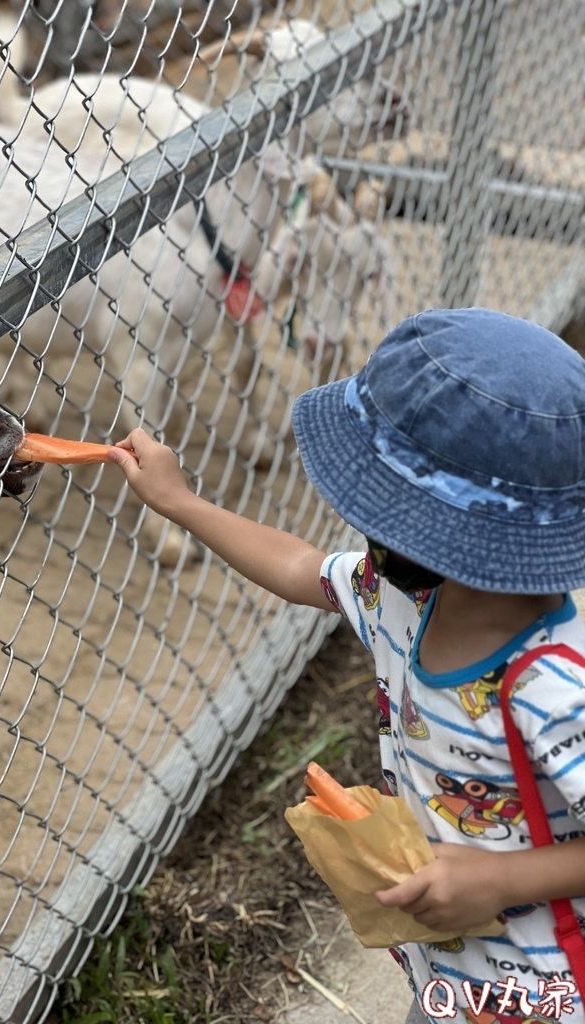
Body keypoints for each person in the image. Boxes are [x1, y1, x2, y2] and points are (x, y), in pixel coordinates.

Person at [108, 307, 585, 1024]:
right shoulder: (400, 596)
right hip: (456, 980)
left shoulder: (551, 682)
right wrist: (181, 504)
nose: (364, 525)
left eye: (377, 507)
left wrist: (503, 877)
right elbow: (301, 567)